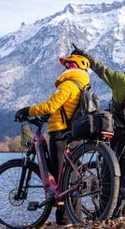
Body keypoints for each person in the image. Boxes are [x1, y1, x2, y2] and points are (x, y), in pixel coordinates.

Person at [71, 47, 125, 218]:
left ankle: (103, 210)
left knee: (108, 169)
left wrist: (83, 54)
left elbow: (100, 68)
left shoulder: (123, 81)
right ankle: (119, 211)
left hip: (119, 132)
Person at [15, 54, 91, 225]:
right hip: (73, 133)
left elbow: (51, 105)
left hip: (61, 134)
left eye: (67, 64)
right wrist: (48, 116)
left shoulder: (69, 83)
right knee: (68, 178)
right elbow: (63, 107)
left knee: (63, 178)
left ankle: (67, 220)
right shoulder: (81, 85)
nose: (64, 68)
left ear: (73, 67)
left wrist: (27, 110)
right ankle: (71, 218)